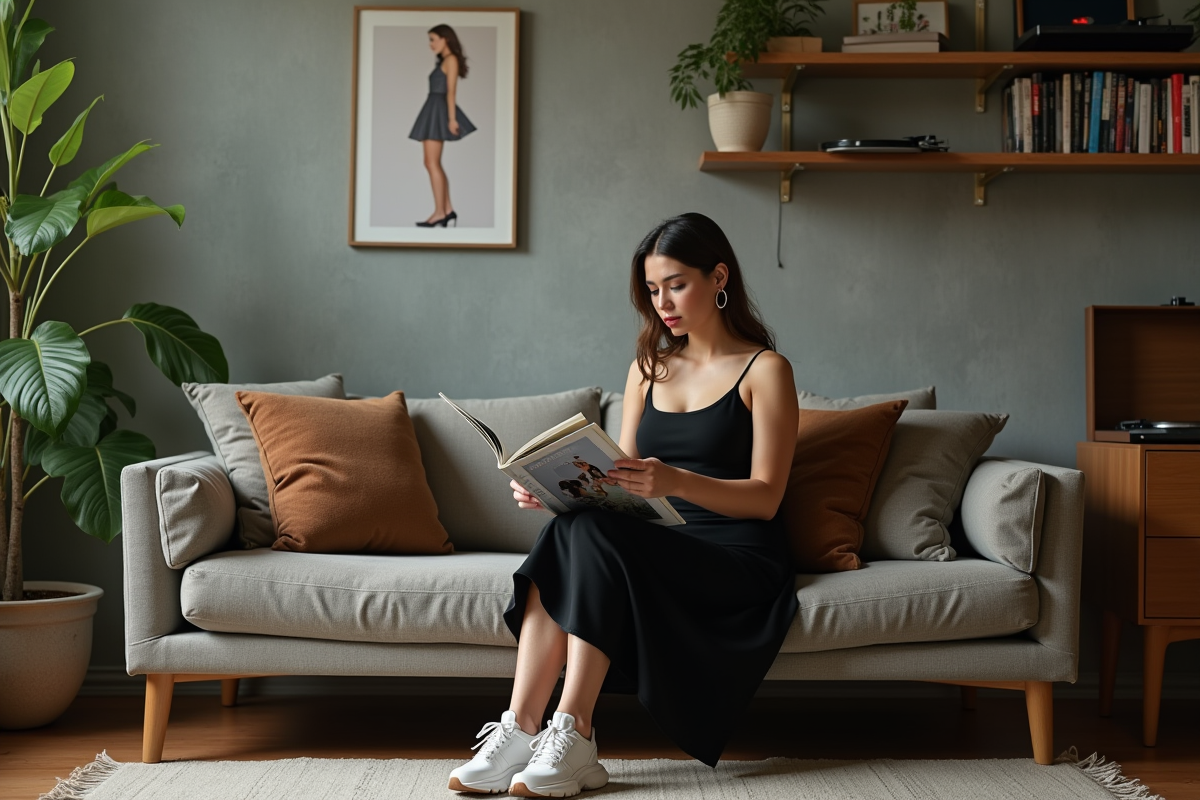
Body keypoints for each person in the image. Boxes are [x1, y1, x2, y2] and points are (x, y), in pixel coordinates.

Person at [448, 213, 799, 797]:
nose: (663, 303)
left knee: (589, 535)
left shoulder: (765, 370)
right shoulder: (647, 368)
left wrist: (676, 481)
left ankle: (575, 729)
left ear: (719, 277)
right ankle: (523, 728)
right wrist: (554, 490)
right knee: (575, 528)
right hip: (658, 542)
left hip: (737, 556)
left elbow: (766, 499)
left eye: (676, 284)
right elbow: (619, 480)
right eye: (653, 290)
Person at [408, 24, 476, 228]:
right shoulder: (445, 61)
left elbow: (451, 91)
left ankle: (440, 212)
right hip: (433, 108)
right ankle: (446, 210)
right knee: (432, 163)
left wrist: (452, 119)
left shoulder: (451, 60)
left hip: (438, 109)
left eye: (433, 39)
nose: (430, 44)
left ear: (445, 38)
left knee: (431, 163)